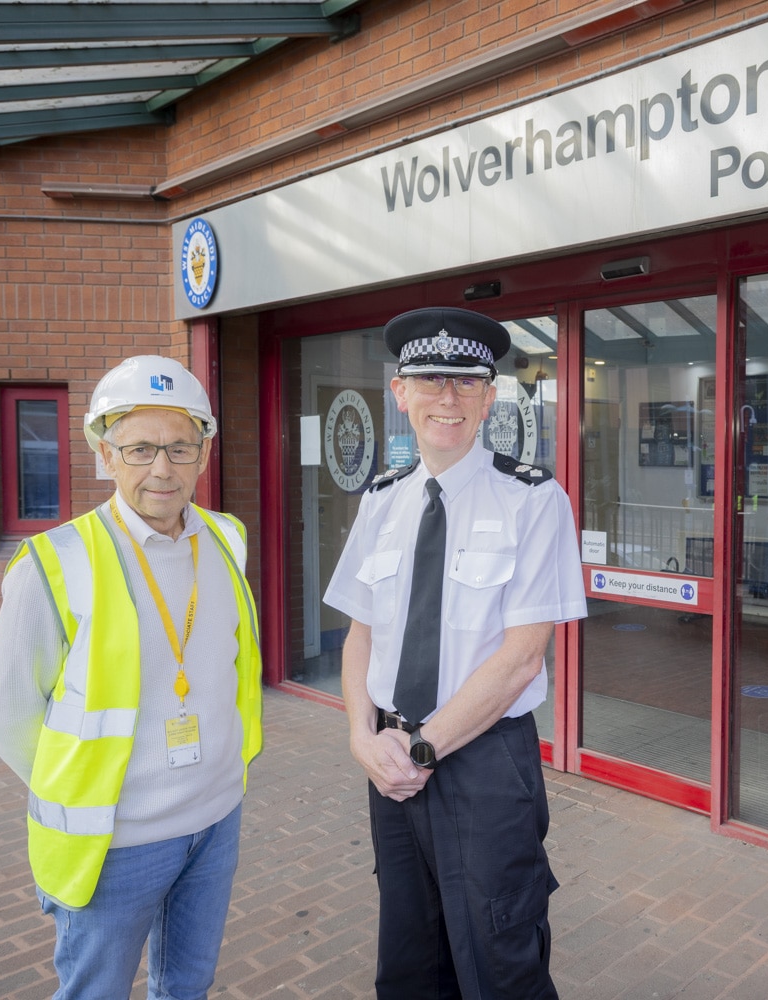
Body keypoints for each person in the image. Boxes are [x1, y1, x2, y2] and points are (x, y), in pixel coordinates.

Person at [323, 306, 586, 1000]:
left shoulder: (533, 500)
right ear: (400, 393)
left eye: (466, 382)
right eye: (429, 380)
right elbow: (361, 635)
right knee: (409, 957)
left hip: (485, 762)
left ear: (489, 398)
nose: (448, 397)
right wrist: (361, 736)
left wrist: (424, 749)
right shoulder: (380, 500)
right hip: (392, 760)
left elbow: (523, 657)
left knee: (500, 959)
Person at [0, 356, 262, 1000]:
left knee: (187, 986)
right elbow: (11, 718)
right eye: (139, 449)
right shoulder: (53, 562)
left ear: (202, 454)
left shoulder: (226, 540)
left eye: (178, 447)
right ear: (104, 454)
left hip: (217, 817)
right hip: (119, 840)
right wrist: (86, 789)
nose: (161, 468)